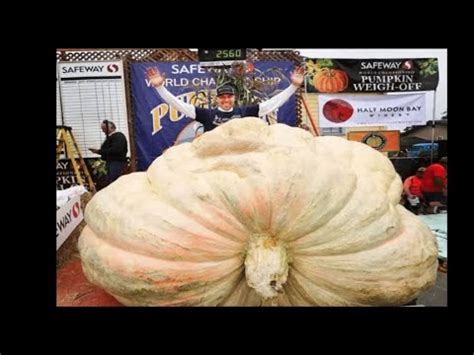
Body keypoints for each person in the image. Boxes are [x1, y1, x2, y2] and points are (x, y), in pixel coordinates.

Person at [145, 66, 304, 132]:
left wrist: (294, 87)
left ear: (234, 98)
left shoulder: (245, 111)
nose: (226, 100)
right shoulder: (206, 114)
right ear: (217, 99)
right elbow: (177, 104)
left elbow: (272, 104)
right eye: (222, 97)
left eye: (229, 96)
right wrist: (160, 87)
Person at [89, 120, 128, 184]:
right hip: (111, 162)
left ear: (111, 128)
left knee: (115, 182)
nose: (103, 131)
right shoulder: (112, 137)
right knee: (111, 181)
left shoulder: (118, 136)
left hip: (116, 162)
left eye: (104, 129)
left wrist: (100, 151)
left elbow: (116, 150)